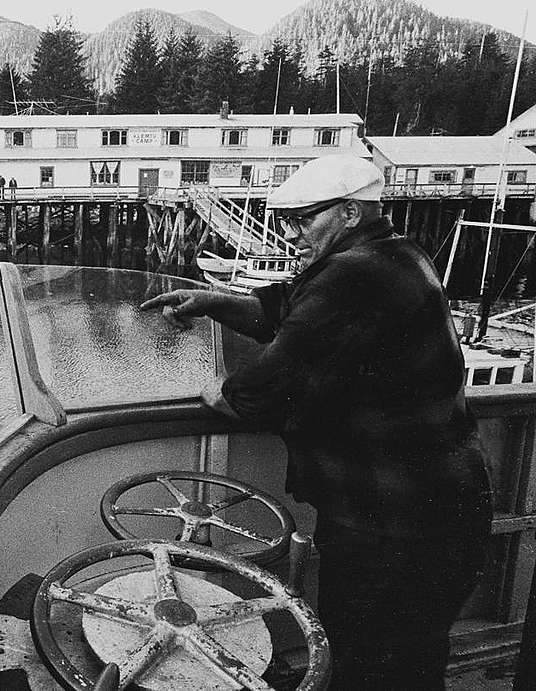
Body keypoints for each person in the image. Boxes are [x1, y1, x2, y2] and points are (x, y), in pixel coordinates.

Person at [141, 154, 491, 689]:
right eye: (289, 220)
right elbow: (286, 309)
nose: (292, 233)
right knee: (412, 660)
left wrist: (217, 391)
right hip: (438, 508)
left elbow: (259, 392)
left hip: (395, 521)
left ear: (350, 212)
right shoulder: (395, 255)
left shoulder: (356, 273)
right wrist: (213, 301)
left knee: (367, 664)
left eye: (305, 219)